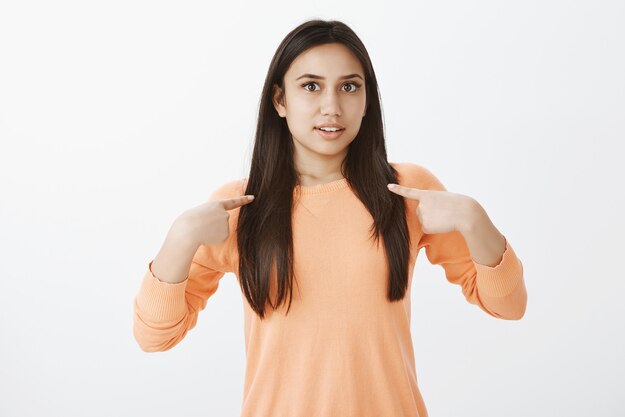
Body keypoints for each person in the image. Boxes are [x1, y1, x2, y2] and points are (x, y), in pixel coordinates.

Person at [133, 19, 527, 417]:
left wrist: (476, 222)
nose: (332, 107)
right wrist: (179, 239)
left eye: (349, 86)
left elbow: (508, 306)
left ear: (366, 99)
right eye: (310, 86)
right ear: (279, 100)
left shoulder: (408, 191)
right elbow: (154, 337)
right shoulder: (238, 207)